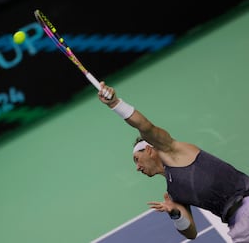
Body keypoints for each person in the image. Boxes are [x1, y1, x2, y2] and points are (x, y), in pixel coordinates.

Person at [97, 81, 249, 242]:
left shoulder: (173, 151)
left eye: (137, 159)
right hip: (238, 226)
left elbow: (145, 126)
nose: (137, 168)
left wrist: (115, 103)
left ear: (148, 149)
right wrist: (175, 213)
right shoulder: (174, 193)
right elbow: (191, 233)